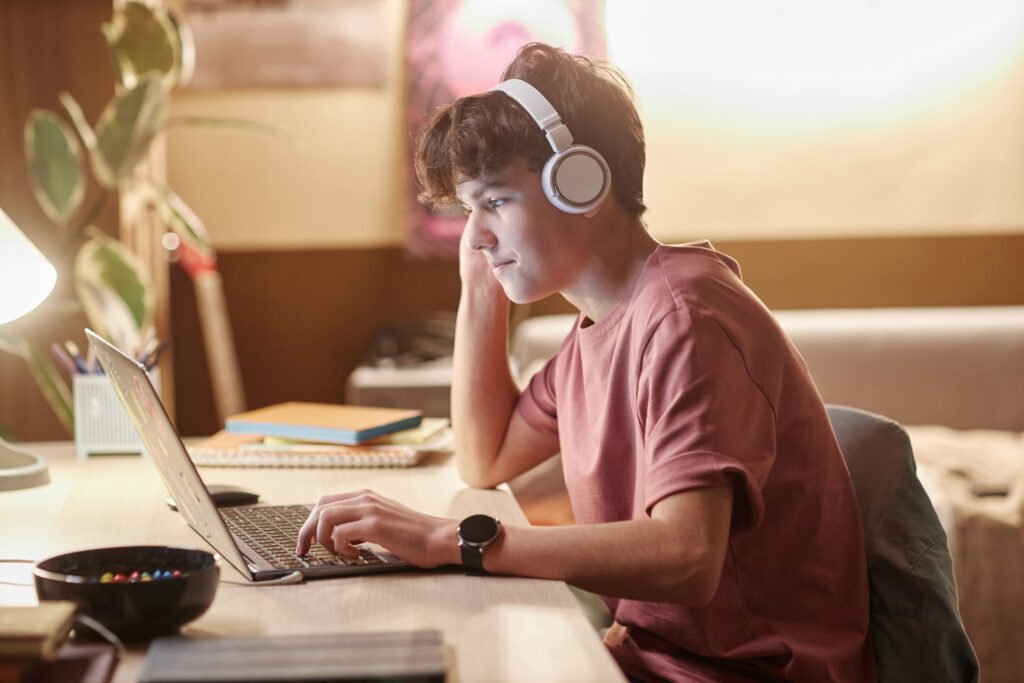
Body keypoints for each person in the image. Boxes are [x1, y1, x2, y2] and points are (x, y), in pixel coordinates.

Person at [297, 42, 876, 682]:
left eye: (495, 202)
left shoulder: (685, 318)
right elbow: (484, 456)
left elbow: (689, 555)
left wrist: (450, 541)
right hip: (649, 659)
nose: (477, 235)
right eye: (469, 211)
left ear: (580, 183)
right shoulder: (598, 327)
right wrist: (480, 285)